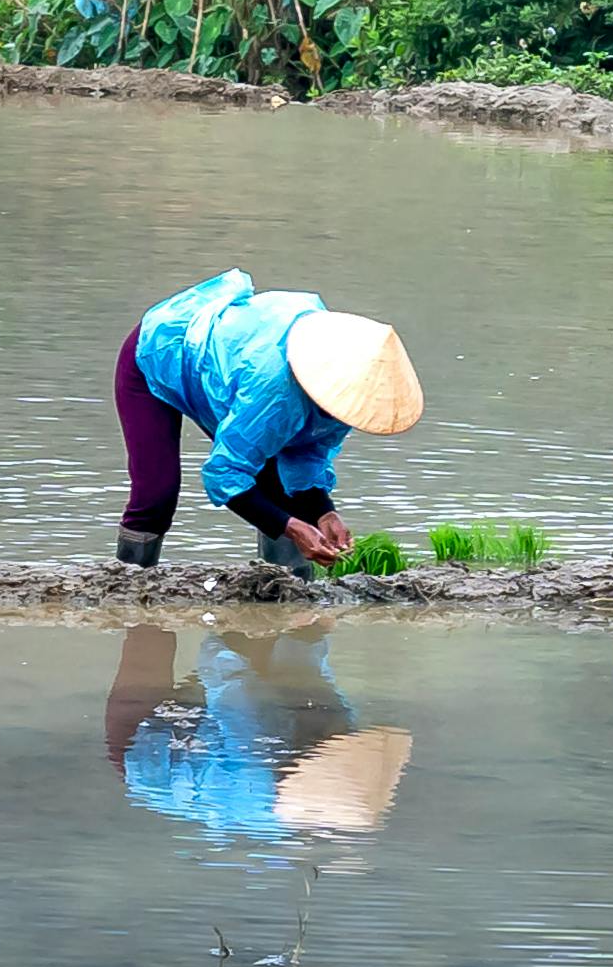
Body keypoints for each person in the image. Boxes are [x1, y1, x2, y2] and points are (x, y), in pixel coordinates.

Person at [115, 269, 423, 570]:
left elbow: (306, 459)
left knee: (281, 490)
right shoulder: (274, 389)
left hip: (227, 369)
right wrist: (291, 527)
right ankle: (126, 583)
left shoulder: (347, 398)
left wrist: (325, 513)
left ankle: (288, 589)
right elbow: (224, 474)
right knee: (158, 493)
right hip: (160, 350)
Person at [107, 618, 413, 842]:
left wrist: (236, 621)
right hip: (211, 732)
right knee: (271, 646)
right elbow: (306, 670)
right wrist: (312, 626)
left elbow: (223, 670)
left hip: (141, 752)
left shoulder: (256, 763)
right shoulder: (340, 732)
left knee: (149, 630)